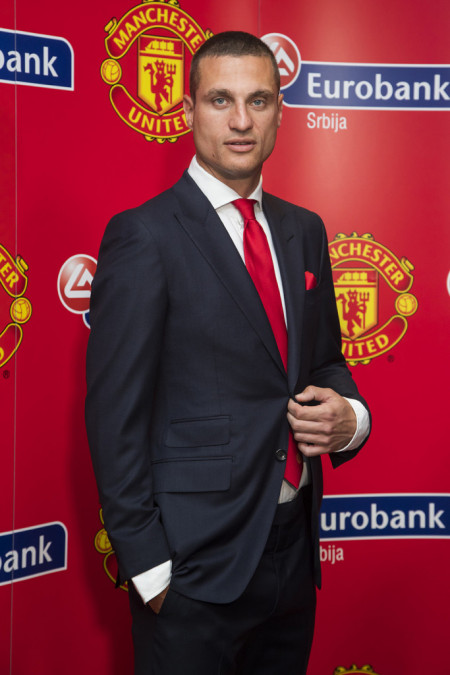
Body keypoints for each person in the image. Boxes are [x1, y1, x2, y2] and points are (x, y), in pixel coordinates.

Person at [85, 31, 370, 675]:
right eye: (221, 100)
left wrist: (352, 419)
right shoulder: (144, 235)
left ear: (279, 113)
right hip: (193, 570)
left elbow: (325, 361)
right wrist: (152, 571)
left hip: (294, 557)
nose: (241, 121)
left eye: (258, 101)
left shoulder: (304, 230)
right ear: (189, 111)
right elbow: (114, 416)